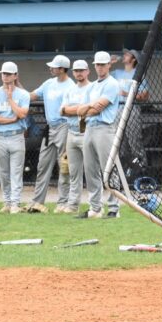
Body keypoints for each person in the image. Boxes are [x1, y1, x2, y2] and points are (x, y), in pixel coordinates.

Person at [26, 55, 75, 213]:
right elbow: (32, 95)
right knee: (43, 164)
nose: (50, 68)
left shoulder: (71, 86)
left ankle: (63, 202)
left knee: (64, 165)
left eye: (54, 67)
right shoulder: (48, 83)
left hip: (64, 126)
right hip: (50, 127)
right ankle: (38, 201)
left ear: (62, 69)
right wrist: (16, 92)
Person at [78, 51, 122, 219]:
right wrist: (90, 107)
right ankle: (95, 208)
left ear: (109, 65)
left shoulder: (112, 83)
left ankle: (114, 208)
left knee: (108, 169)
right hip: (90, 128)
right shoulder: (92, 86)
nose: (99, 67)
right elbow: (81, 111)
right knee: (90, 170)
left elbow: (99, 108)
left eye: (103, 64)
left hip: (105, 128)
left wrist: (89, 108)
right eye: (97, 64)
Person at [0, 61, 30, 213]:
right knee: (3, 173)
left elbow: (22, 114)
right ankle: (7, 202)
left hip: (16, 136)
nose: (5, 76)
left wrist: (11, 98)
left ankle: (15, 204)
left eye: (8, 74)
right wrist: (10, 120)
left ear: (15, 76)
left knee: (16, 172)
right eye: (3, 73)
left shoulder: (23, 94)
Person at [60, 59, 92, 214]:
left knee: (92, 171)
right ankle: (73, 205)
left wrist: (72, 109)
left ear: (87, 71)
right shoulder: (70, 89)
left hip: (86, 131)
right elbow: (62, 110)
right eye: (76, 71)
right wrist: (78, 109)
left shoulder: (92, 88)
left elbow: (88, 110)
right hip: (71, 131)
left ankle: (95, 205)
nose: (79, 73)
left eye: (81, 70)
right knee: (73, 171)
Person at [112, 48, 150, 169]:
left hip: (132, 109)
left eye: (127, 54)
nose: (124, 55)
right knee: (119, 142)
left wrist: (127, 94)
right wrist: (110, 62)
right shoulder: (117, 72)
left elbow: (145, 96)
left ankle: (141, 168)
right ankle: (123, 169)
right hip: (118, 109)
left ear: (133, 59)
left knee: (134, 140)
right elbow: (102, 76)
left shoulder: (138, 74)